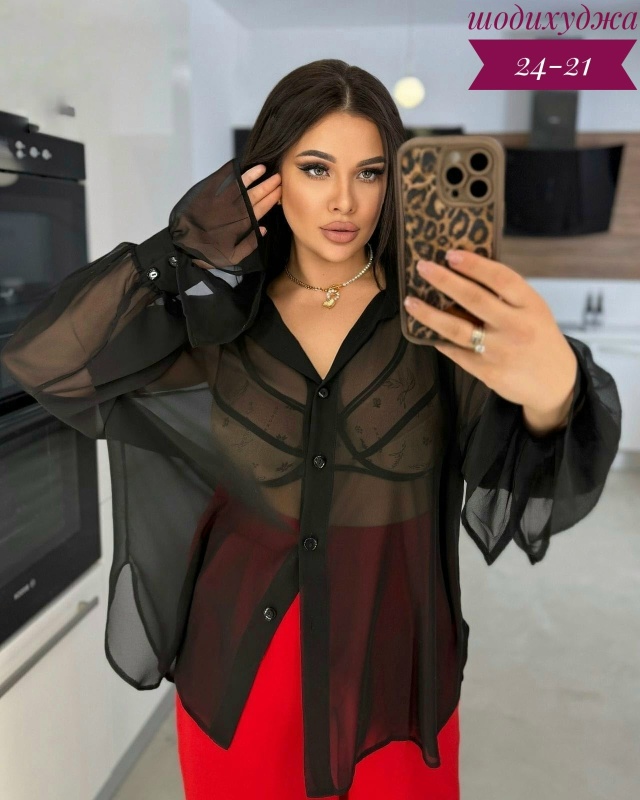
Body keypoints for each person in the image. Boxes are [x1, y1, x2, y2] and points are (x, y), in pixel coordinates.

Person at [0, 59, 622, 800]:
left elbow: (531, 481)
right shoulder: (216, 316)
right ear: (269, 177)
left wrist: (555, 392)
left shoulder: (440, 326)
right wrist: (178, 249)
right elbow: (46, 362)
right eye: (316, 167)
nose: (343, 200)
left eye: (370, 173)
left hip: (391, 682)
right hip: (241, 671)